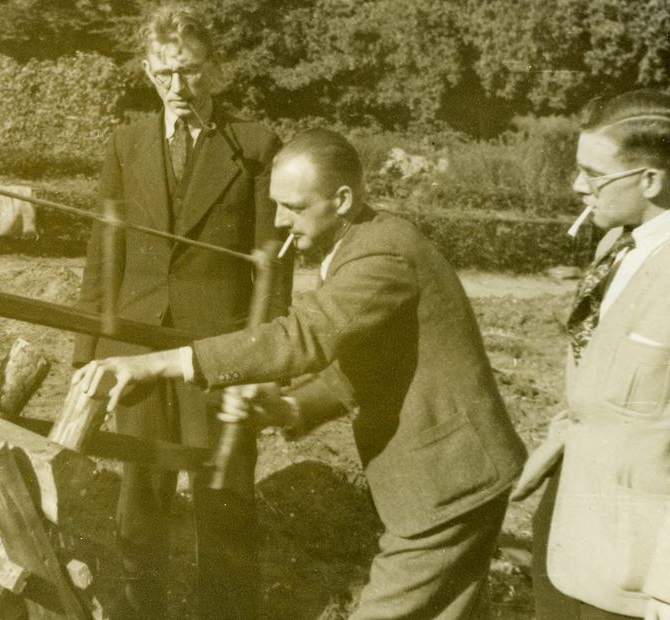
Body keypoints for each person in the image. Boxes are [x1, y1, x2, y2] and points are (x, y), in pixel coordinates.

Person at [75, 128, 528, 619]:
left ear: (342, 199)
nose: (278, 220)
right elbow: (365, 363)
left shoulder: (383, 255)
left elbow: (305, 336)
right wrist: (288, 408)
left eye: (293, 206)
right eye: (275, 204)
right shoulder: (361, 243)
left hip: (446, 482)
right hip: (456, 473)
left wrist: (156, 362)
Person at [72, 4, 291, 618]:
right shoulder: (125, 143)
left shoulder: (253, 147)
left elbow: (270, 270)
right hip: (134, 351)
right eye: (166, 73)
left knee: (223, 500)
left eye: (192, 72)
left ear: (216, 72)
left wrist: (260, 362)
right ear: (148, 72)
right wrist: (86, 352)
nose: (179, 88)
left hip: (217, 356)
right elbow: (102, 255)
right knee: (139, 501)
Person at [511, 89, 670, 620]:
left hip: (636, 559)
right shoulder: (614, 245)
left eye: (594, 175)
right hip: (569, 525)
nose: (578, 187)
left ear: (650, 180)